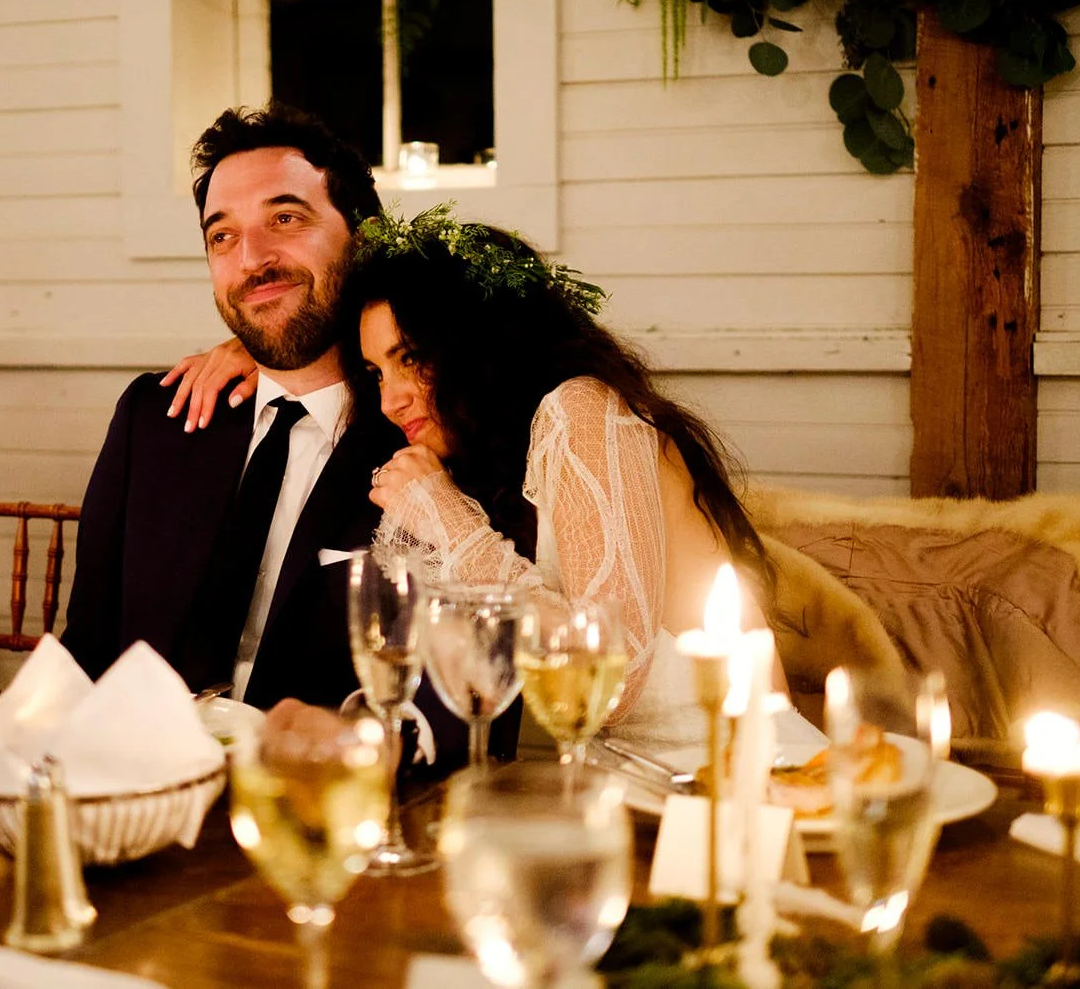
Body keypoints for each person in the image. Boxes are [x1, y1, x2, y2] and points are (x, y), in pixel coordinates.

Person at [181, 205, 814, 747]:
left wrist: (451, 524)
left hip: (730, 784)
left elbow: (610, 681)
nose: (391, 400)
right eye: (376, 373)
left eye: (412, 358)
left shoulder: (583, 412)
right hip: (600, 788)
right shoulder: (485, 454)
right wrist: (248, 354)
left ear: (481, 345)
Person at [62, 106, 501, 767]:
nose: (253, 260)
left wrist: (366, 748)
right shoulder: (153, 419)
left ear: (364, 236)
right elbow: (86, 650)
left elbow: (466, 700)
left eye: (286, 219)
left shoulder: (435, 433)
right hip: (135, 794)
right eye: (222, 236)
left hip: (324, 801)